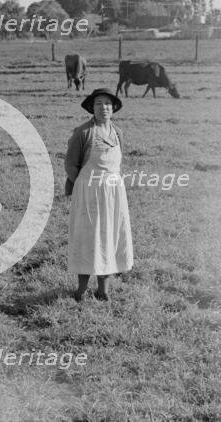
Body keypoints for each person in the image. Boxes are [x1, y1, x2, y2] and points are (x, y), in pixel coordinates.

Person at [64, 88, 133, 302]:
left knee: (109, 237)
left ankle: (103, 290)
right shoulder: (83, 132)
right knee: (87, 238)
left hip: (113, 194)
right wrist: (86, 185)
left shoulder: (117, 132)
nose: (104, 107)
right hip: (88, 193)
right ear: (92, 108)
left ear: (113, 108)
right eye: (99, 104)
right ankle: (81, 291)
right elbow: (70, 165)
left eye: (108, 104)